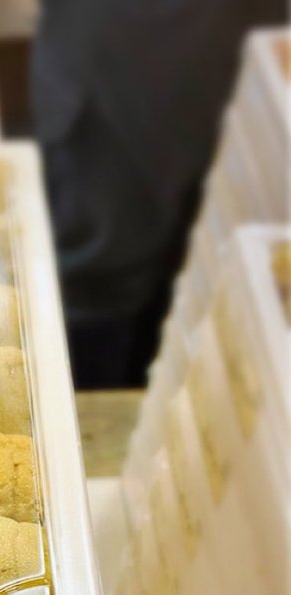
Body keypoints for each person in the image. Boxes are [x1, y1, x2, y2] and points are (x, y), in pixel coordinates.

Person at [32, 0, 285, 389]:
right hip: (122, 60)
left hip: (240, 62)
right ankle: (85, 409)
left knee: (209, 269)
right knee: (99, 276)